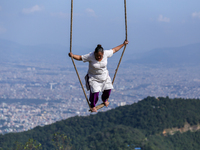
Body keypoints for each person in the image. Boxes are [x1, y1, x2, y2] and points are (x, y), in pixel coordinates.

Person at [68, 40, 129, 112]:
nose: (99, 57)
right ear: (94, 54)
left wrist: (123, 44)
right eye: (97, 56)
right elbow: (80, 58)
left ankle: (104, 99)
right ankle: (93, 105)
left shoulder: (106, 53)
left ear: (103, 54)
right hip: (94, 78)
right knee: (95, 92)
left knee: (108, 89)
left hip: (104, 76)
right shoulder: (90, 56)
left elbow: (114, 50)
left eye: (100, 56)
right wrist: (73, 56)